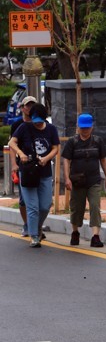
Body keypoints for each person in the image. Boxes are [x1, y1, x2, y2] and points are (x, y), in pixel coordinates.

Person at [8, 102, 60, 248]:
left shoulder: (51, 129)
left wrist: (46, 158)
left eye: (39, 122)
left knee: (45, 205)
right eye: (34, 121)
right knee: (32, 207)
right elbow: (12, 142)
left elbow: (56, 147)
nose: (37, 125)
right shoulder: (24, 127)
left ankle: (36, 227)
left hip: (44, 171)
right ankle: (34, 236)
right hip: (28, 172)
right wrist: (21, 154)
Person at [62, 113, 106, 248]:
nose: (85, 130)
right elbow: (66, 160)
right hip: (77, 181)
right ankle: (75, 232)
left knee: (95, 206)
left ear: (92, 127)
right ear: (78, 127)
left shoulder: (98, 141)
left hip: (94, 180)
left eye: (87, 128)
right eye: (82, 128)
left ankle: (95, 236)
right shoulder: (72, 142)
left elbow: (103, 160)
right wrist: (66, 178)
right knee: (77, 208)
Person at [8, 95, 37, 236]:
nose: (30, 108)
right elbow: (12, 145)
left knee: (40, 197)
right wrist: (14, 164)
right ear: (22, 108)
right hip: (23, 166)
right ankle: (27, 224)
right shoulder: (17, 125)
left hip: (39, 166)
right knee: (23, 199)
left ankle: (36, 224)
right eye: (28, 105)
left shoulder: (40, 123)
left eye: (33, 105)